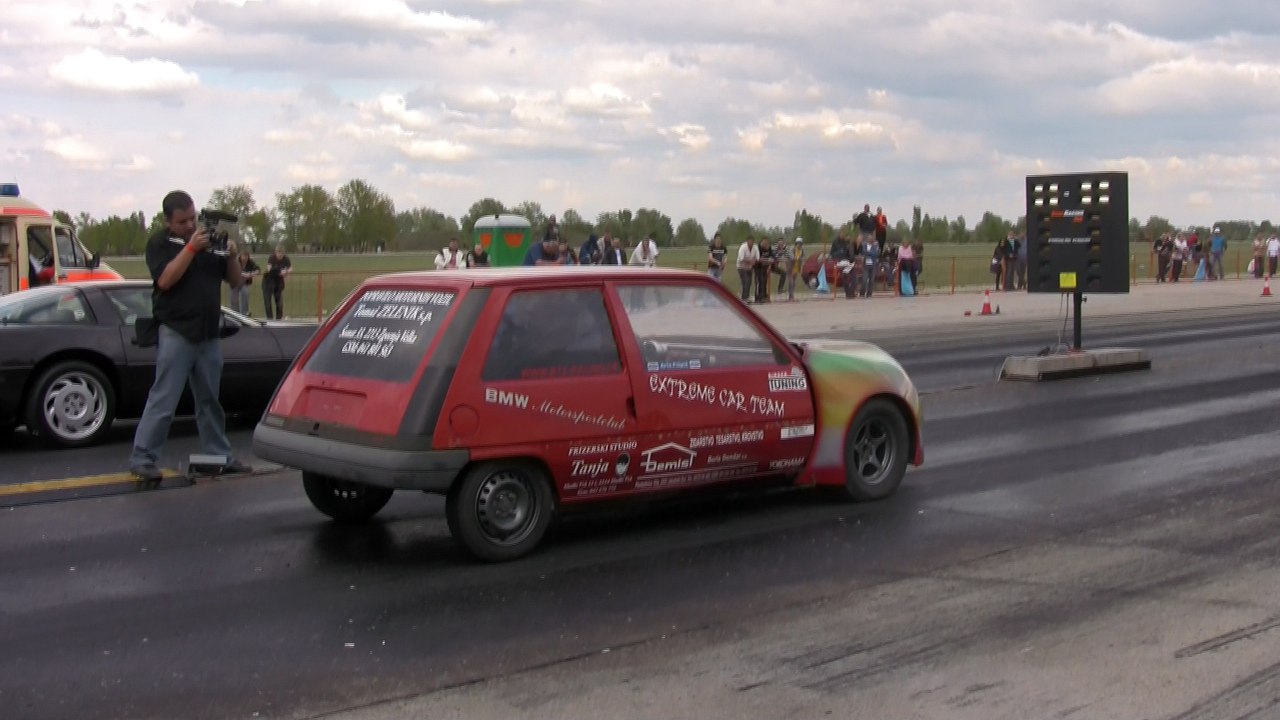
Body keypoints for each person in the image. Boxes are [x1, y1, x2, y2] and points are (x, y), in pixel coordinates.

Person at [129, 190, 250, 482]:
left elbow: (235, 281)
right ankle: (143, 457)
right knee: (164, 398)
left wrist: (232, 257)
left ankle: (217, 455)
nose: (190, 225)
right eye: (183, 221)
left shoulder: (210, 243)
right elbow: (166, 279)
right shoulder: (159, 244)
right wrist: (191, 249)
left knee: (209, 400)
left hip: (208, 334)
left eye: (193, 219)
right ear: (168, 221)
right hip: (177, 332)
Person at [262, 244, 291, 319]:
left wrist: (286, 271)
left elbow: (291, 268)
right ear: (275, 252)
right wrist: (280, 272)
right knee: (267, 303)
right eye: (278, 253)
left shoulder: (286, 259)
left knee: (279, 303)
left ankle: (279, 319)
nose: (280, 255)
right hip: (268, 282)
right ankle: (270, 319)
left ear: (284, 253)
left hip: (278, 283)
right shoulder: (272, 258)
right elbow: (269, 269)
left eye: (282, 253)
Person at [229, 249, 258, 315]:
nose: (245, 258)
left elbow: (257, 269)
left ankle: (244, 313)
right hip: (235, 282)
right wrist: (244, 274)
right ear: (240, 256)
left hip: (244, 283)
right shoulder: (236, 261)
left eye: (246, 257)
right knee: (234, 298)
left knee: (245, 293)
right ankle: (235, 313)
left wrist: (253, 273)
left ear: (248, 257)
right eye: (243, 256)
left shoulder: (250, 262)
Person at [736, 236, 759, 302]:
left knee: (749, 282)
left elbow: (757, 258)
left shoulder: (755, 247)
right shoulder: (743, 247)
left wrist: (753, 261)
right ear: (747, 241)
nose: (751, 243)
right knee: (746, 281)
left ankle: (745, 297)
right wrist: (750, 261)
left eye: (752, 241)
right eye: (749, 241)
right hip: (741, 267)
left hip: (750, 267)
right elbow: (741, 258)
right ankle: (744, 298)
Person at [754, 236, 774, 302]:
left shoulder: (769, 248)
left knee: (765, 281)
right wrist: (766, 260)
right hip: (758, 267)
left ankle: (764, 296)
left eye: (767, 243)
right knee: (760, 281)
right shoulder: (757, 248)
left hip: (765, 267)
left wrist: (769, 264)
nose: (765, 244)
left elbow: (772, 258)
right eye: (764, 243)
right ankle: (758, 297)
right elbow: (758, 259)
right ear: (761, 242)